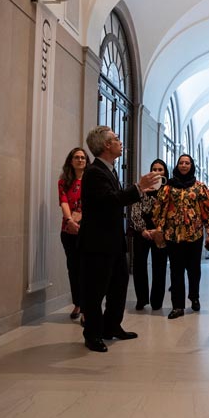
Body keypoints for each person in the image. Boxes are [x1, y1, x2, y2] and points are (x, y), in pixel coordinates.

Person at [78, 126, 160, 352]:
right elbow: (109, 201)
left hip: (113, 241)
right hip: (97, 243)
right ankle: (92, 334)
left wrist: (138, 190)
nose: (120, 141)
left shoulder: (110, 170)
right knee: (96, 291)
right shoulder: (94, 172)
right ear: (106, 145)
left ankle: (111, 326)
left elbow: (114, 199)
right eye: (116, 138)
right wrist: (138, 188)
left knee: (119, 286)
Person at [153, 154, 209, 319]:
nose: (183, 165)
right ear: (177, 165)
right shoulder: (168, 187)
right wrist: (159, 229)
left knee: (194, 270)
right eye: (181, 163)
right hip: (173, 235)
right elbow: (160, 209)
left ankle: (194, 296)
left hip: (194, 235)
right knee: (176, 271)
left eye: (187, 163)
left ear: (191, 166)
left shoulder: (199, 187)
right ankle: (178, 306)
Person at [130, 159, 170, 311]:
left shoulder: (168, 190)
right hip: (142, 231)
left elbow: (170, 213)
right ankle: (141, 299)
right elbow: (135, 208)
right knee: (139, 264)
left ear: (165, 172)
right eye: (154, 169)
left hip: (160, 231)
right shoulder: (143, 186)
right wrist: (142, 229)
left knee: (159, 266)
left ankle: (157, 301)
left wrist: (159, 229)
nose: (157, 172)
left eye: (160, 169)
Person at [58, 147, 90, 322]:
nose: (80, 160)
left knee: (86, 269)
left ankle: (86, 309)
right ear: (71, 161)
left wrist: (80, 217)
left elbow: (93, 203)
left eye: (83, 157)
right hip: (68, 230)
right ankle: (77, 303)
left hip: (87, 230)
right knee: (73, 269)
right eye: (76, 157)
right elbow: (63, 201)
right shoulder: (64, 182)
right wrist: (70, 220)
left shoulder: (91, 180)